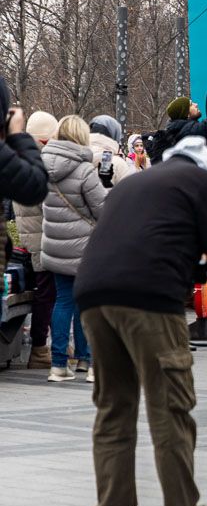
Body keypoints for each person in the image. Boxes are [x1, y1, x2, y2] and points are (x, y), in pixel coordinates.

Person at [77, 134, 207, 506]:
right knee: (169, 405)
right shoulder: (204, 183)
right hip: (151, 301)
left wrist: (192, 270)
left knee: (113, 406)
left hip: (93, 293)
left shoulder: (138, 183)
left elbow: (150, 246)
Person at [41, 115, 109, 383]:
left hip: (56, 246)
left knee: (63, 302)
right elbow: (102, 210)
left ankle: (59, 365)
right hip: (85, 248)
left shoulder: (42, 167)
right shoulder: (84, 170)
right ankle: (91, 362)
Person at [15, 110, 57, 369]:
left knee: (48, 293)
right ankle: (40, 348)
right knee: (48, 295)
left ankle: (47, 345)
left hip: (33, 237)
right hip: (43, 238)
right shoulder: (38, 164)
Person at [154, 63, 207, 161]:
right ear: (186, 113)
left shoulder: (181, 130)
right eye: (191, 104)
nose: (196, 104)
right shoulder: (190, 131)